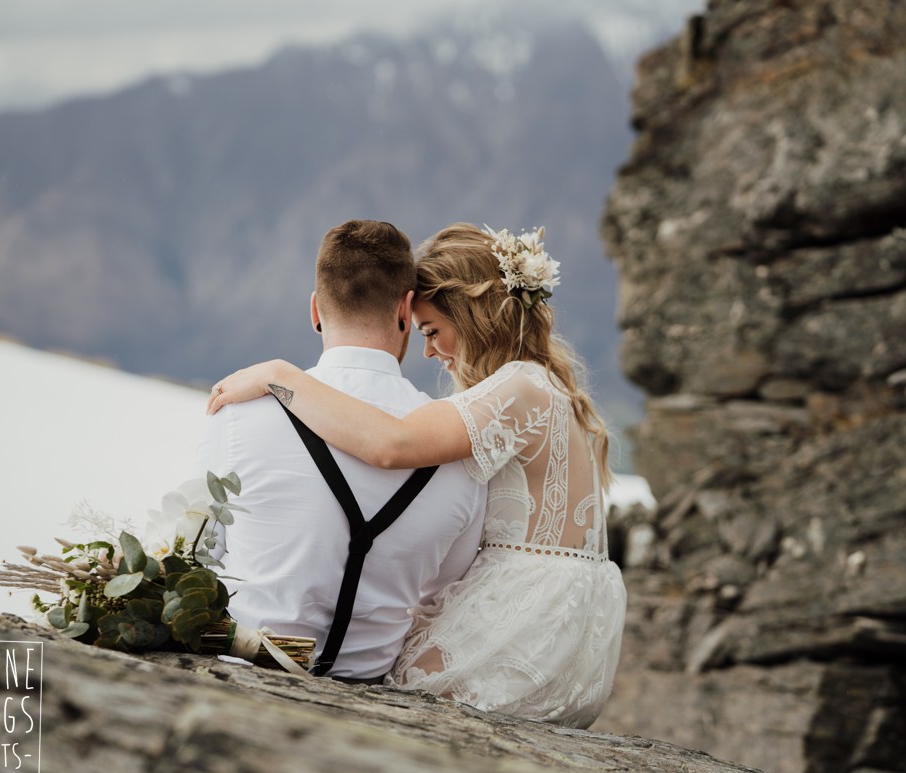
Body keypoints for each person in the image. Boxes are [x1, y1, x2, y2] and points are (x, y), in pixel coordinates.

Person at [209, 222, 627, 728]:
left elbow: (393, 444)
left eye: (433, 331)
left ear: (475, 316)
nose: (429, 351)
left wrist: (282, 376)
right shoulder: (543, 388)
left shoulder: (520, 389)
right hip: (566, 623)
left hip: (523, 619)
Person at [196, 219, 486, 683]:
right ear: (405, 311)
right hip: (371, 692)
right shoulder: (460, 447)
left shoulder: (239, 411)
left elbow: (202, 550)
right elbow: (447, 586)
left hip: (240, 676)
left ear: (315, 309)